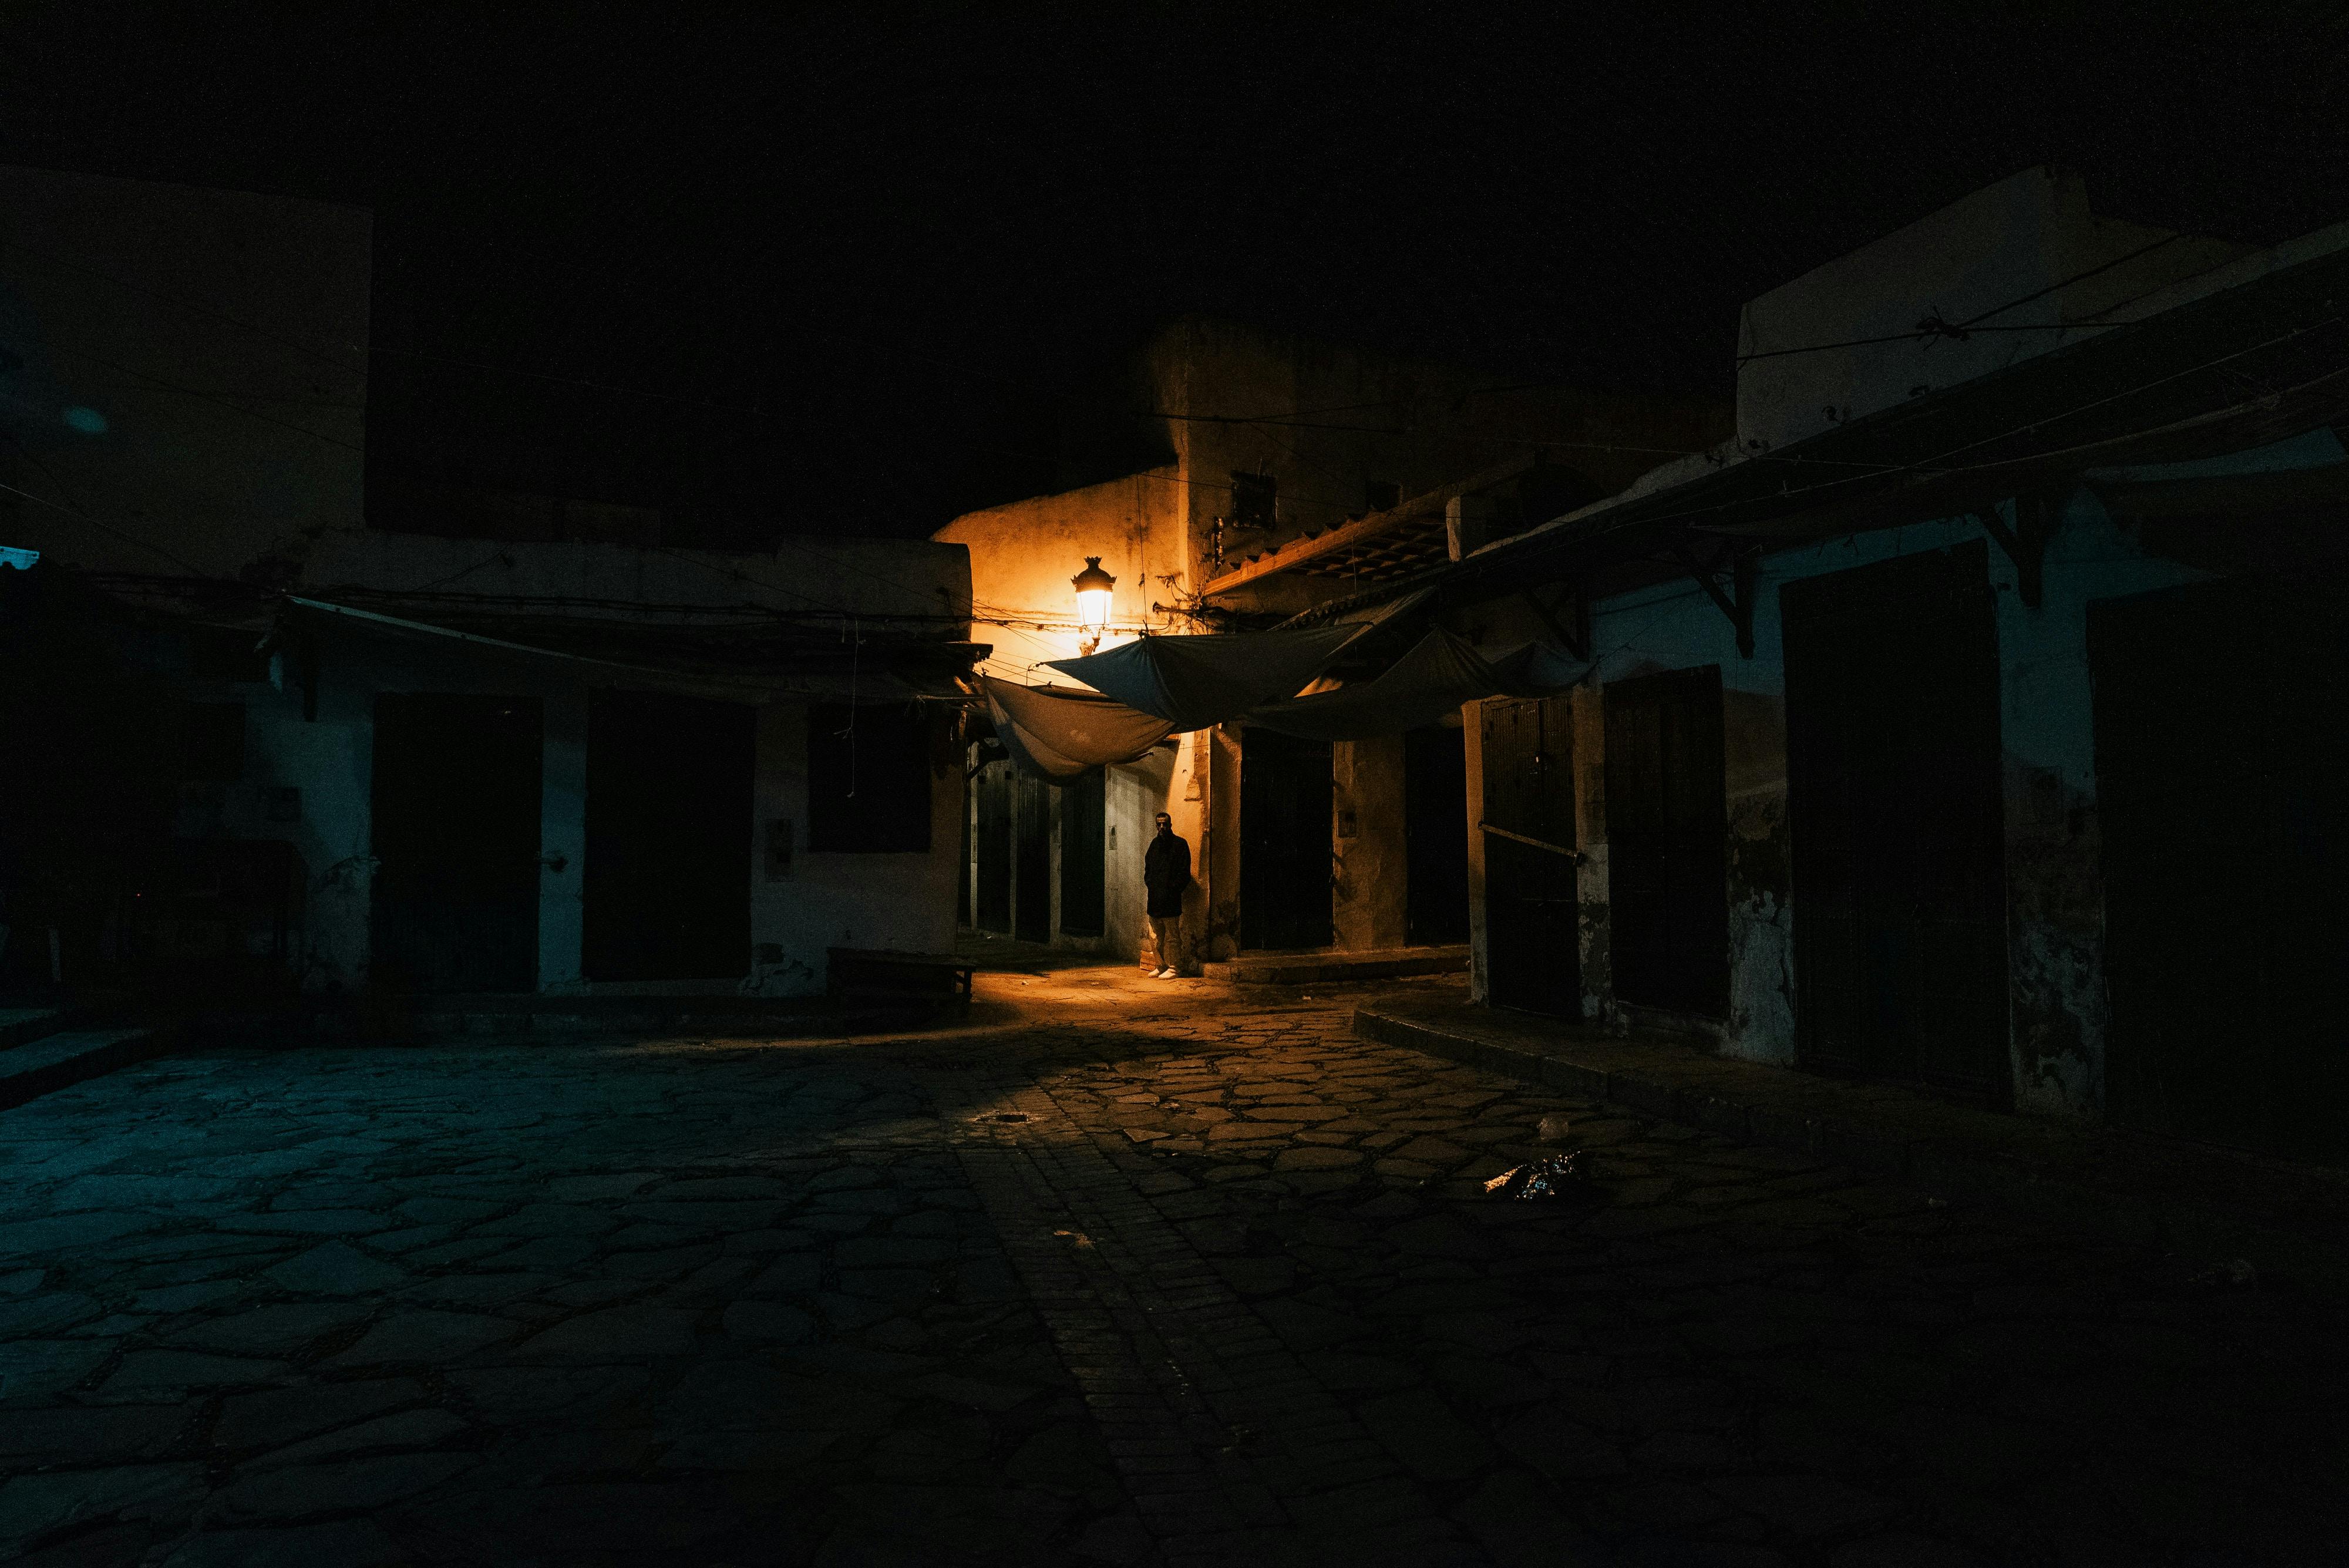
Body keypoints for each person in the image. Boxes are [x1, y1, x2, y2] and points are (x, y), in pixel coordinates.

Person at [1142, 809, 1189, 978]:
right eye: (1159, 824)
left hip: (1170, 899)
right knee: (1155, 936)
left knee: (1172, 936)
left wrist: (1173, 889)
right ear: (1156, 826)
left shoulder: (1180, 845)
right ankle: (1161, 965)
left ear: (1170, 825)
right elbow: (1148, 868)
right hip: (1155, 899)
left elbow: (1185, 873)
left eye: (1165, 824)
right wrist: (1151, 884)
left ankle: (1175, 967)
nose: (1162, 827)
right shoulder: (1154, 845)